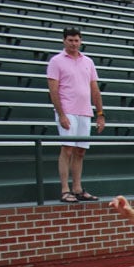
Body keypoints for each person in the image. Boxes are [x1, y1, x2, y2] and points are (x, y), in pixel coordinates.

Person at [47, 26, 105, 203]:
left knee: (80, 151)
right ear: (64, 41)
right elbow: (53, 90)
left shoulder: (88, 61)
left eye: (76, 40)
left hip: (84, 111)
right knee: (67, 148)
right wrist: (61, 114)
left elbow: (94, 89)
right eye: (70, 40)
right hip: (68, 110)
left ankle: (77, 188)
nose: (74, 43)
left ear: (81, 41)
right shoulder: (56, 61)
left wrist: (100, 113)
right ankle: (65, 189)